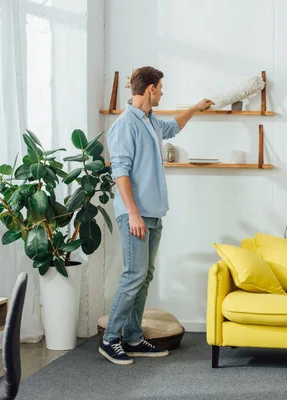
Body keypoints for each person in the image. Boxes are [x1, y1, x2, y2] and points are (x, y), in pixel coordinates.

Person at [100, 66, 214, 365]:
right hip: (135, 215)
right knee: (133, 275)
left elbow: (174, 127)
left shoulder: (149, 122)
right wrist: (133, 214)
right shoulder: (126, 125)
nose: (162, 92)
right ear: (150, 88)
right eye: (161, 87)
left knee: (144, 276)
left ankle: (134, 338)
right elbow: (120, 172)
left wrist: (195, 108)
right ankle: (111, 339)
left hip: (152, 215)